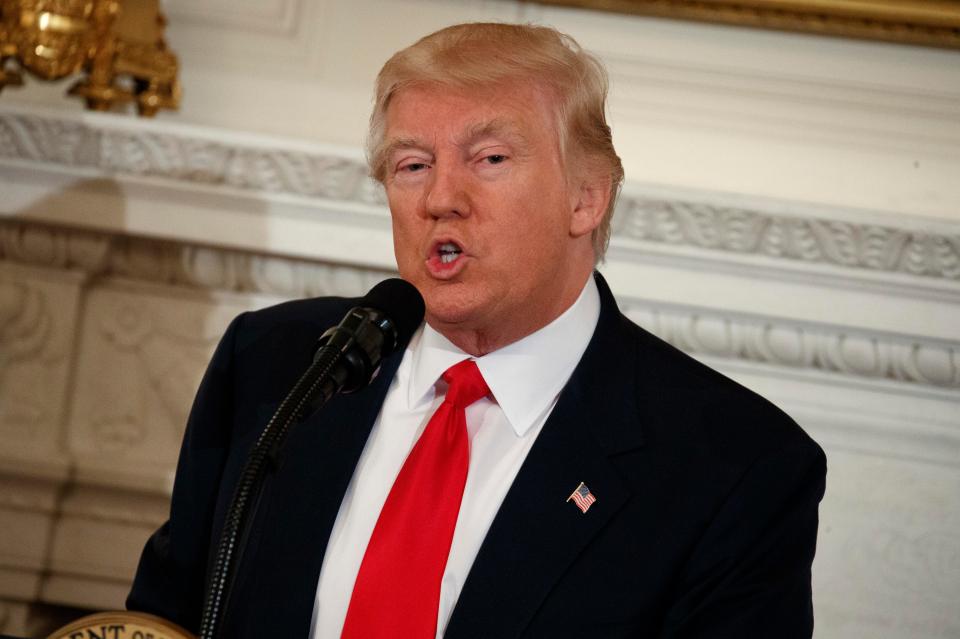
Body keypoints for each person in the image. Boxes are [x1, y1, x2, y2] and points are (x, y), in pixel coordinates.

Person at [128, 23, 826, 638]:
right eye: (413, 166)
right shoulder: (276, 363)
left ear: (587, 196)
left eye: (489, 159)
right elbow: (162, 620)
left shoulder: (733, 466)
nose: (440, 199)